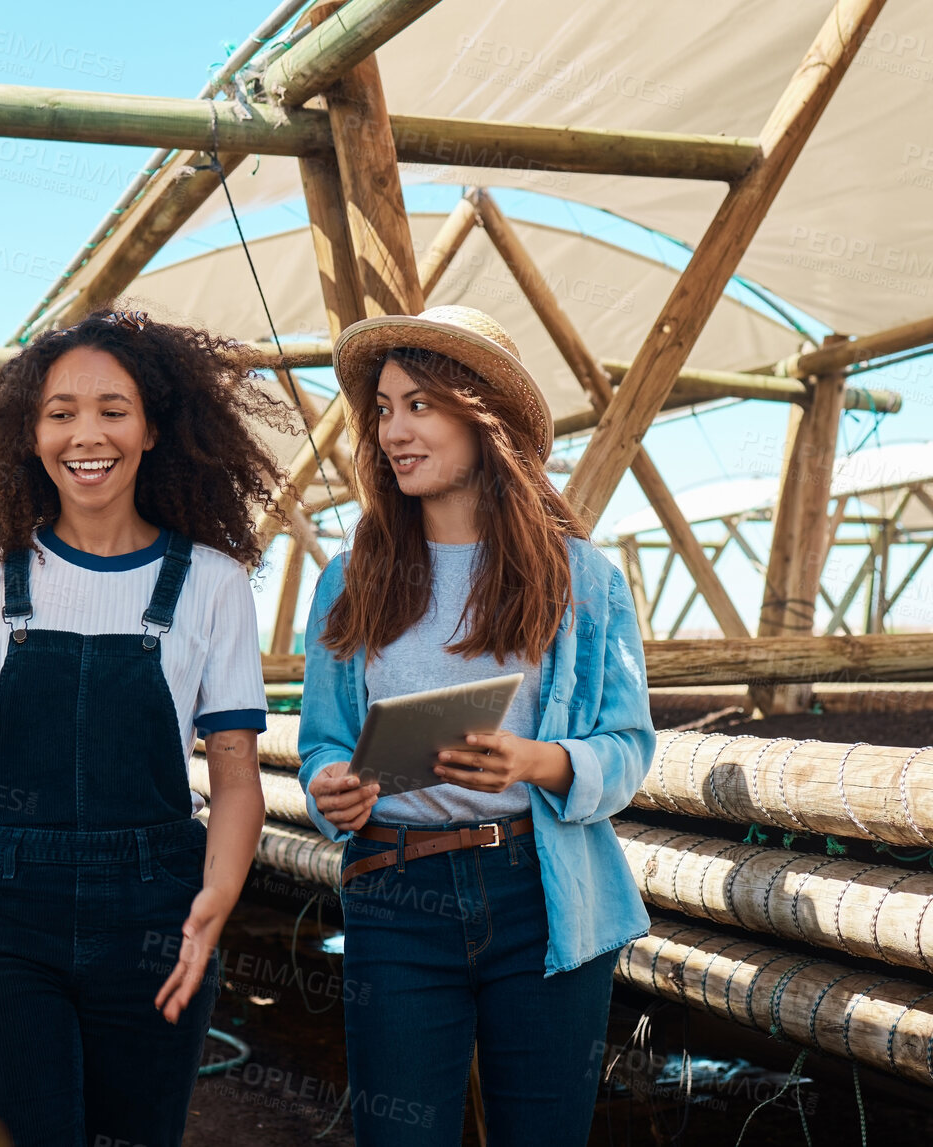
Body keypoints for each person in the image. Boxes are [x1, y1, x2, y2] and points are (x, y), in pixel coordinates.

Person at [0, 311, 287, 1147]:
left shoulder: (211, 582)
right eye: (60, 413)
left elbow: (238, 776)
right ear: (30, 436)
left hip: (154, 906)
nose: (86, 434)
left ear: (152, 428)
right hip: (0, 901)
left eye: (113, 408)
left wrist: (214, 902)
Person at [296, 305, 657, 1146]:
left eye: (419, 404)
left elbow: (628, 744)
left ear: (481, 416)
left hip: (543, 892)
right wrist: (329, 789)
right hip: (394, 890)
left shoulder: (583, 579)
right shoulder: (350, 578)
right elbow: (321, 738)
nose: (394, 430)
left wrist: (539, 761)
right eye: (383, 409)